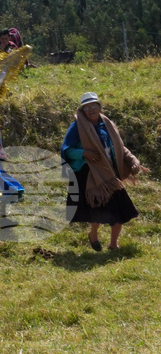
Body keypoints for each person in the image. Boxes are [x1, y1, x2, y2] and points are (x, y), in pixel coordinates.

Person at [61, 92, 148, 251]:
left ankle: (113, 244)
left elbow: (119, 147)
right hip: (92, 175)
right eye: (87, 108)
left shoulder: (106, 124)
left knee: (121, 209)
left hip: (111, 175)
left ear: (99, 107)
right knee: (99, 208)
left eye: (93, 106)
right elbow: (67, 150)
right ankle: (94, 234)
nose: (91, 110)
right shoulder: (77, 127)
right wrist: (84, 153)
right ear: (82, 111)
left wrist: (133, 160)